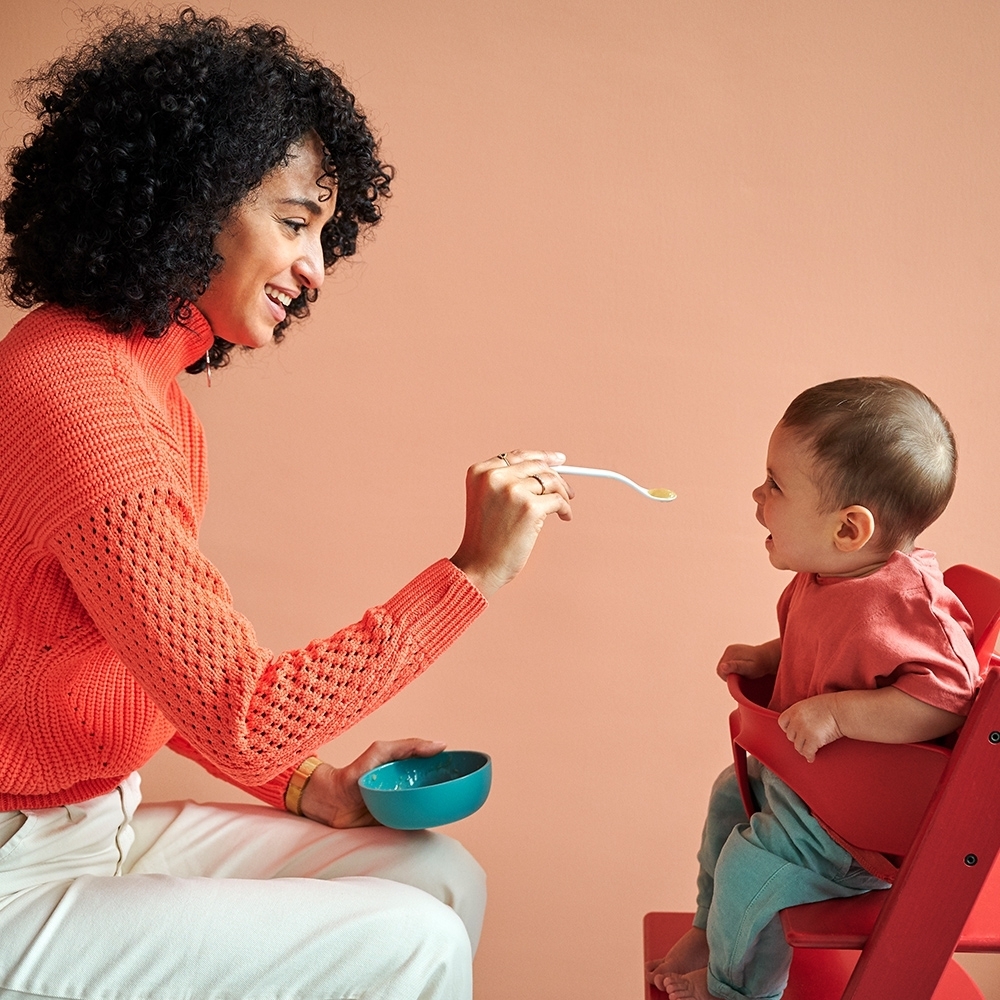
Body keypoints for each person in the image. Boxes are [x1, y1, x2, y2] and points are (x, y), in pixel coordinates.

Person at [0, 10, 573, 999]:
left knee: (437, 877)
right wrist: (472, 572)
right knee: (412, 940)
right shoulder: (83, 401)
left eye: (324, 234)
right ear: (192, 200)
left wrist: (314, 786)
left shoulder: (135, 385)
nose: (315, 270)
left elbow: (159, 678)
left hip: (95, 825)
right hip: (19, 872)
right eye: (297, 223)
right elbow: (242, 713)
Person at [645, 377, 980, 1000]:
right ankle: (709, 931)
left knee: (749, 867)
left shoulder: (905, 605)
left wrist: (839, 714)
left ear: (849, 529)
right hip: (809, 786)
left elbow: (949, 701)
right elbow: (827, 648)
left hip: (853, 828)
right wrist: (769, 655)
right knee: (727, 796)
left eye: (775, 484)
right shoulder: (826, 576)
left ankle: (735, 991)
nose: (757, 494)